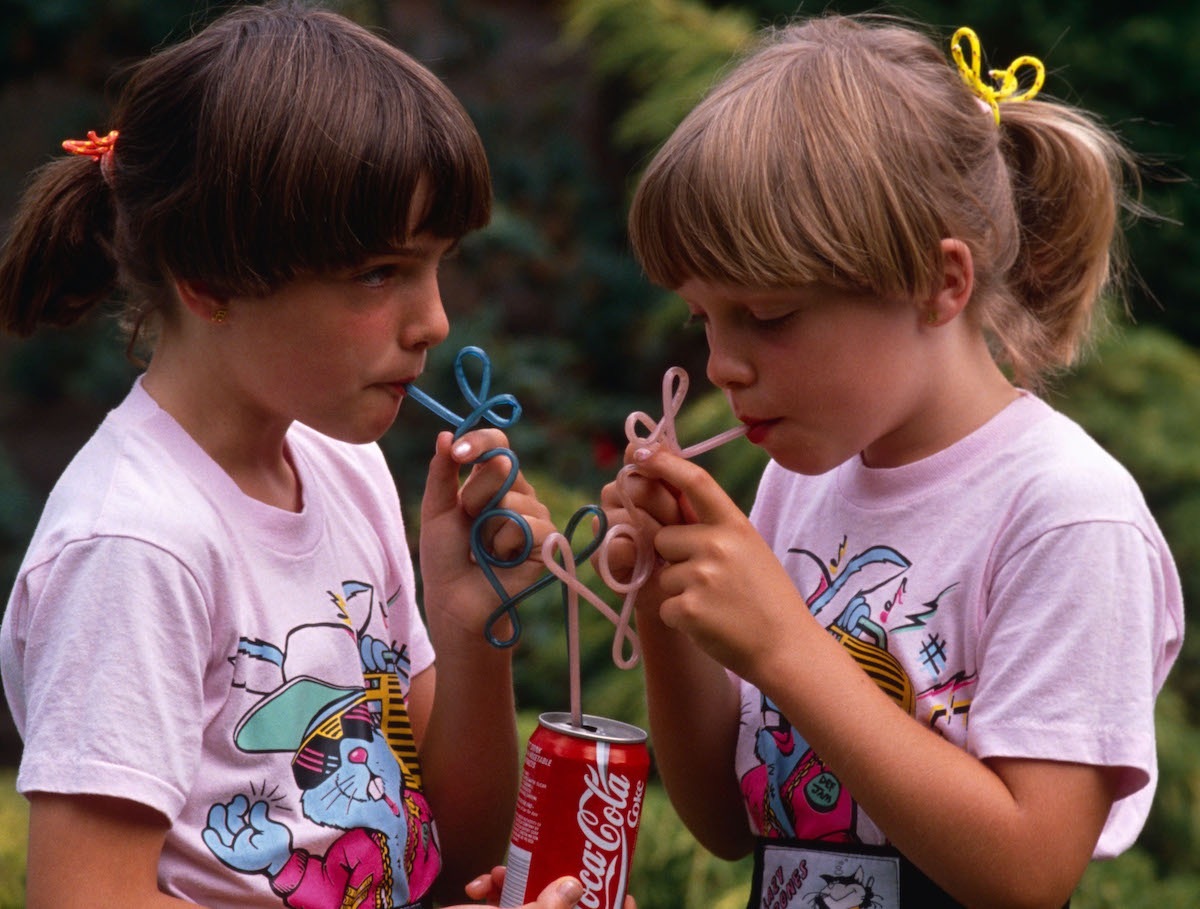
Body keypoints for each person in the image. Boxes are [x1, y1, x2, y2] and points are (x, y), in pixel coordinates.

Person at [0, 4, 592, 908]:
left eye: (438, 265)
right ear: (211, 278)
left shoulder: (340, 469)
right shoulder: (135, 544)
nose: (433, 319)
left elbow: (454, 846)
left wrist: (470, 629)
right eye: (379, 272)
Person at [601, 14, 1183, 909]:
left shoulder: (1066, 513)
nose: (723, 364)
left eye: (770, 315)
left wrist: (786, 646)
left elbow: (1027, 872)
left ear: (939, 281)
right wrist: (671, 607)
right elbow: (725, 822)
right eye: (703, 318)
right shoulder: (803, 478)